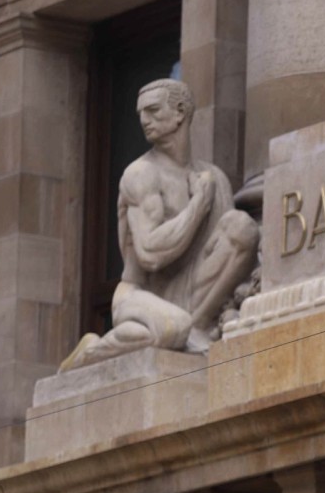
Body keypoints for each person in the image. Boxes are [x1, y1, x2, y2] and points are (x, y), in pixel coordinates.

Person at [60, 79, 258, 372]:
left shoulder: (213, 177)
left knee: (242, 227)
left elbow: (235, 253)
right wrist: (197, 206)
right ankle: (91, 353)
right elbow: (150, 253)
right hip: (140, 295)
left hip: (193, 295)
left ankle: (198, 327)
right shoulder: (141, 174)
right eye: (140, 113)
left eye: (153, 110)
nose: (143, 120)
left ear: (180, 113)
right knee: (172, 327)